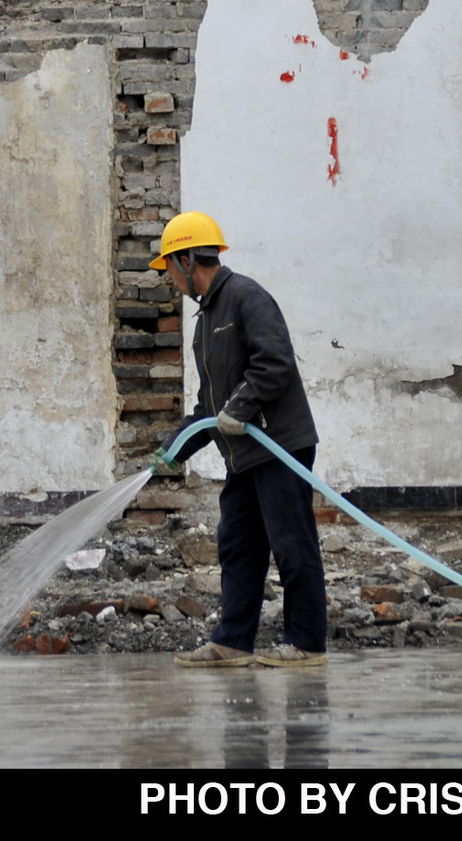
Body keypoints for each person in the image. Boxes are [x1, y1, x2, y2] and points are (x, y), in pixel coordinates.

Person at [149, 211, 327, 668]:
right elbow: (210, 409)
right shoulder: (205, 322)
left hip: (278, 445)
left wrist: (240, 408)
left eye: (170, 266)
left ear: (188, 260)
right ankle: (232, 643)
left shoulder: (247, 297)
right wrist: (174, 451)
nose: (170, 278)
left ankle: (307, 644)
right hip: (244, 454)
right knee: (238, 544)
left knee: (291, 543)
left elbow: (273, 365)